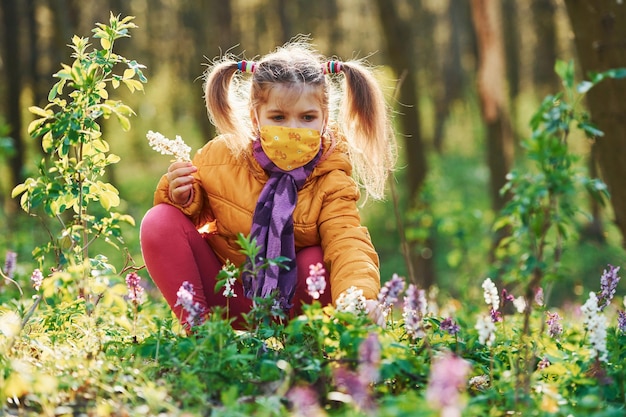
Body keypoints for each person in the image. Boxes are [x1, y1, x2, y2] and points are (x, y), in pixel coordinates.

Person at [140, 39, 396, 329]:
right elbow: (182, 229)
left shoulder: (331, 178)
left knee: (316, 259)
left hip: (295, 307)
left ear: (324, 120)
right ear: (255, 117)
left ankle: (304, 353)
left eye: (307, 117)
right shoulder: (222, 156)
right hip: (231, 294)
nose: (293, 129)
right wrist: (184, 197)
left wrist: (359, 297)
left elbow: (347, 240)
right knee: (159, 220)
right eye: (278, 117)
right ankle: (204, 343)